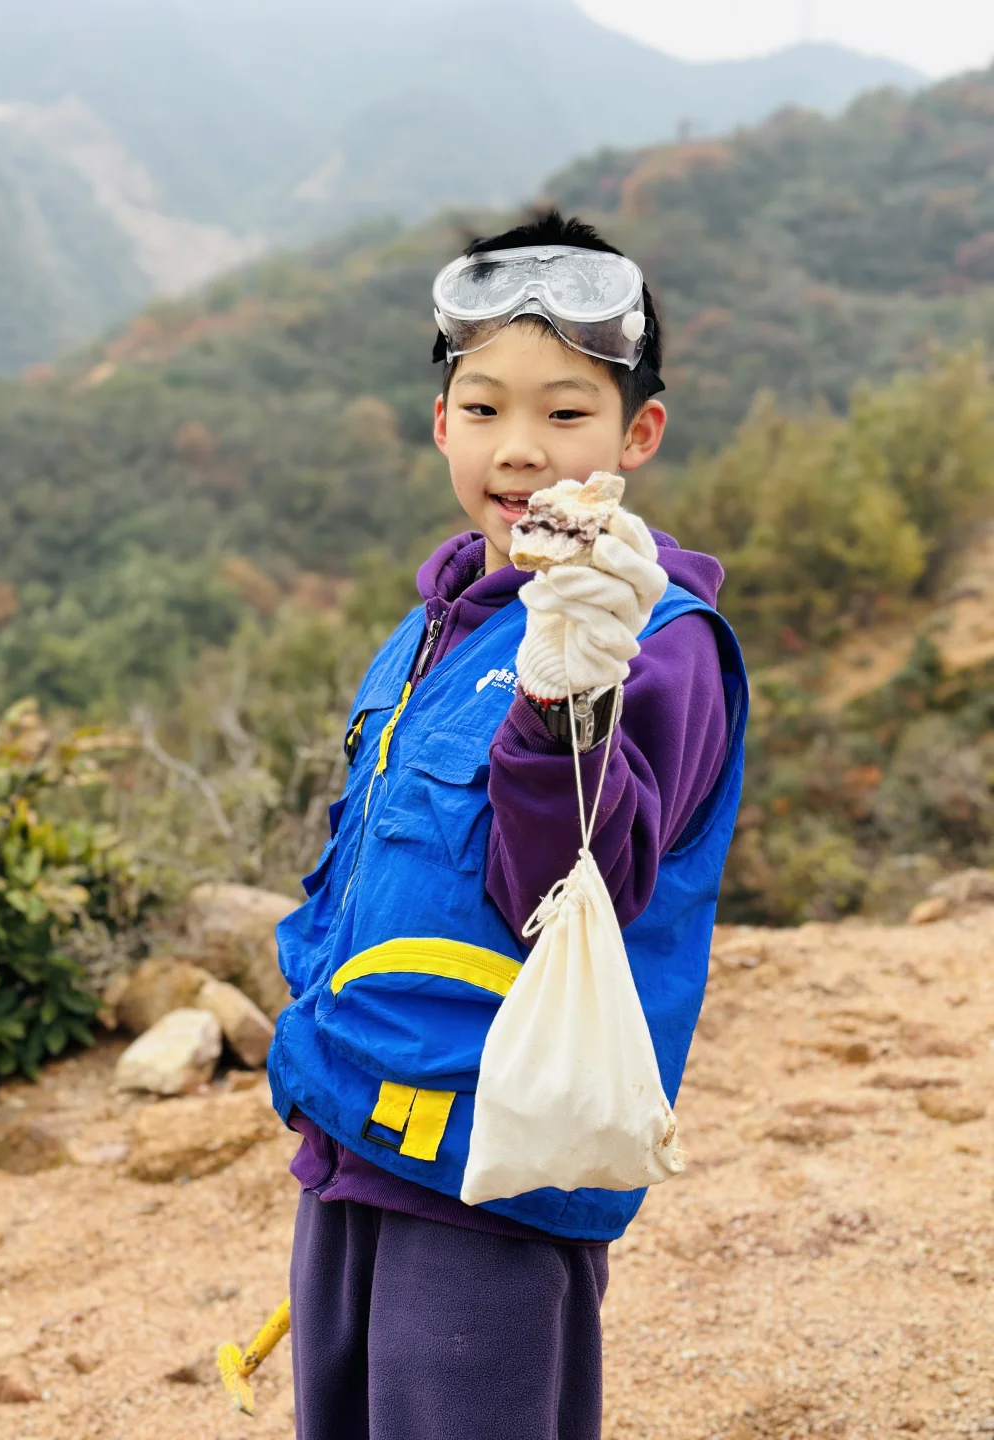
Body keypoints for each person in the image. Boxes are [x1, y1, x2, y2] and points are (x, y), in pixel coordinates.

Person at [267, 210, 748, 1440]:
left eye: (566, 412)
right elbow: (352, 859)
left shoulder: (657, 645)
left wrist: (567, 701)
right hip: (353, 1141)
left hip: (495, 1184)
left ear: (639, 433)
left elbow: (581, 886)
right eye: (483, 409)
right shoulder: (427, 627)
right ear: (441, 423)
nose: (519, 449)